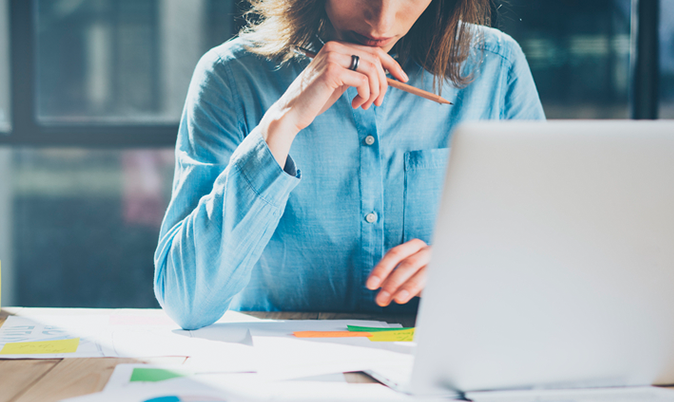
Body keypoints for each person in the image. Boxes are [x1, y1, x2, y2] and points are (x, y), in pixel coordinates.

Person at [154, 0, 545, 329]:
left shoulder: (497, 69)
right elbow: (185, 300)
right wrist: (282, 124)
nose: (383, 21)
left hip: (438, 369)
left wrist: (473, 267)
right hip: (282, 380)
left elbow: (551, 266)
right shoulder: (230, 77)